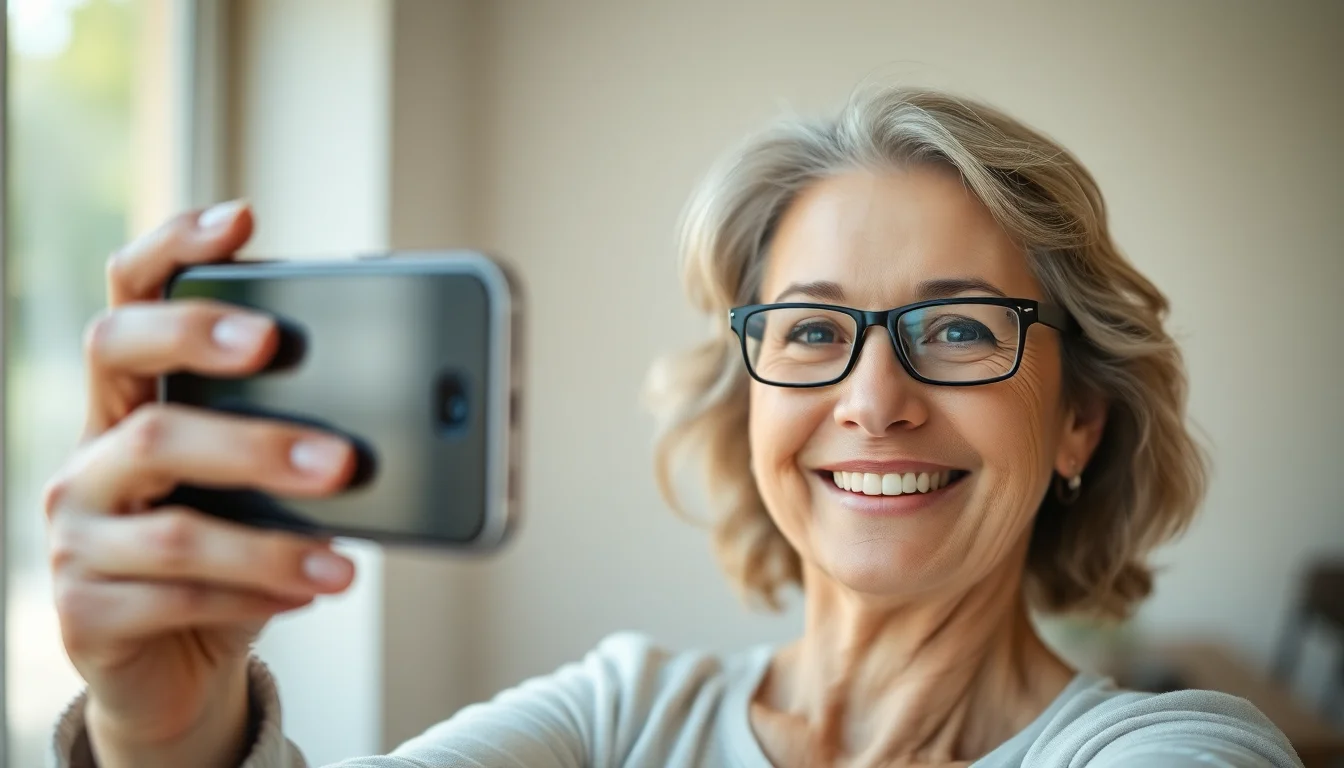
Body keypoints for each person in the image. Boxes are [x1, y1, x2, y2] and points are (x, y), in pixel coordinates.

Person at [47, 87, 1301, 767]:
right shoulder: (617, 715)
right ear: (752, 398)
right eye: (811, 332)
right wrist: (164, 738)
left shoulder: (1178, 748)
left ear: (1080, 418)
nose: (875, 397)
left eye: (961, 329)